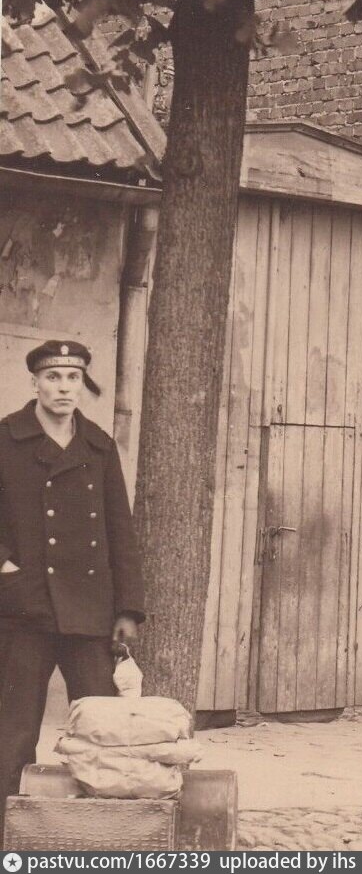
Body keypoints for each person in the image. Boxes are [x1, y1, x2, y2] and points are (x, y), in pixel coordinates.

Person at [0, 341, 144, 839]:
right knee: (13, 728)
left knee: (100, 725)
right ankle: (6, 830)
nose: (64, 387)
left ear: (82, 384)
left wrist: (127, 607)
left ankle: (101, 830)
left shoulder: (99, 446)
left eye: (73, 377)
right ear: (35, 383)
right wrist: (4, 566)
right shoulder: (5, 439)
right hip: (23, 607)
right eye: (53, 377)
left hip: (90, 608)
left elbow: (120, 529)